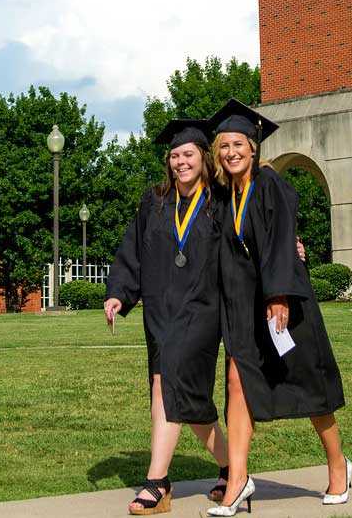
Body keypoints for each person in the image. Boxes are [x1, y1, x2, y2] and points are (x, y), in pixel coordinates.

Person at [205, 100, 349, 517]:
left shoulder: (271, 185)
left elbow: (284, 238)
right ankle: (237, 483)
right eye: (224, 146)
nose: (231, 152)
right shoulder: (224, 194)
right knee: (237, 382)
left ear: (253, 147)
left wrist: (280, 294)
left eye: (238, 144)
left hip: (284, 307)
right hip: (243, 311)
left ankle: (338, 465)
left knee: (308, 387)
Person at [104, 119, 231, 515]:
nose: (180, 162)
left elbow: (252, 241)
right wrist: (118, 295)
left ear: (203, 158)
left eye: (188, 154)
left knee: (166, 385)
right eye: (175, 155)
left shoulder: (220, 203)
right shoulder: (155, 201)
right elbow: (133, 252)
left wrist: (287, 248)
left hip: (202, 311)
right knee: (187, 400)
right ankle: (232, 468)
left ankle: (157, 483)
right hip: (161, 312)